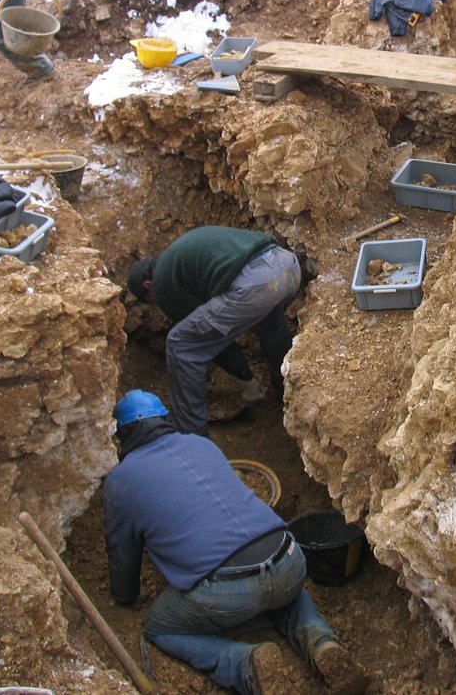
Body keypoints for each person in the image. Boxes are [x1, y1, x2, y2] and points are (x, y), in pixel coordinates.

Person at [102, 390, 369, 695]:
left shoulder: (120, 481)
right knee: (284, 593)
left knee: (160, 627)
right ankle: (322, 643)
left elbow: (122, 553)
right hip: (288, 557)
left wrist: (125, 598)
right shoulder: (200, 444)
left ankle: (243, 664)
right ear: (164, 419)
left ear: (123, 434)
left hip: (226, 590)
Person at [126, 227, 301, 437]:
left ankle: (192, 437)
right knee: (270, 325)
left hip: (256, 284)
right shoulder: (181, 257)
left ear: (148, 285)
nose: (158, 305)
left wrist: (245, 376)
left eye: (151, 301)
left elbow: (210, 341)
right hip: (287, 265)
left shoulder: (163, 282)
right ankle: (287, 395)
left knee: (181, 344)